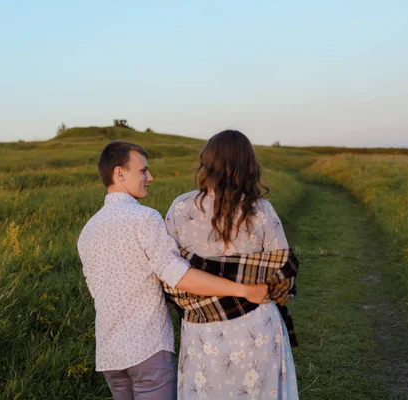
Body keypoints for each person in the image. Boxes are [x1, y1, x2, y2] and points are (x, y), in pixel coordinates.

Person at [77, 140, 270, 400]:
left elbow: (96, 290)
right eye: (143, 171)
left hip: (110, 354)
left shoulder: (88, 230)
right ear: (119, 173)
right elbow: (179, 276)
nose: (150, 177)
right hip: (148, 349)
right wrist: (244, 290)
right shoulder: (144, 218)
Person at [164, 130, 299, 399]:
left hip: (202, 331)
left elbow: (169, 272)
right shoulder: (261, 211)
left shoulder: (180, 208)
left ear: (207, 162)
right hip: (256, 325)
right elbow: (283, 272)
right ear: (248, 165)